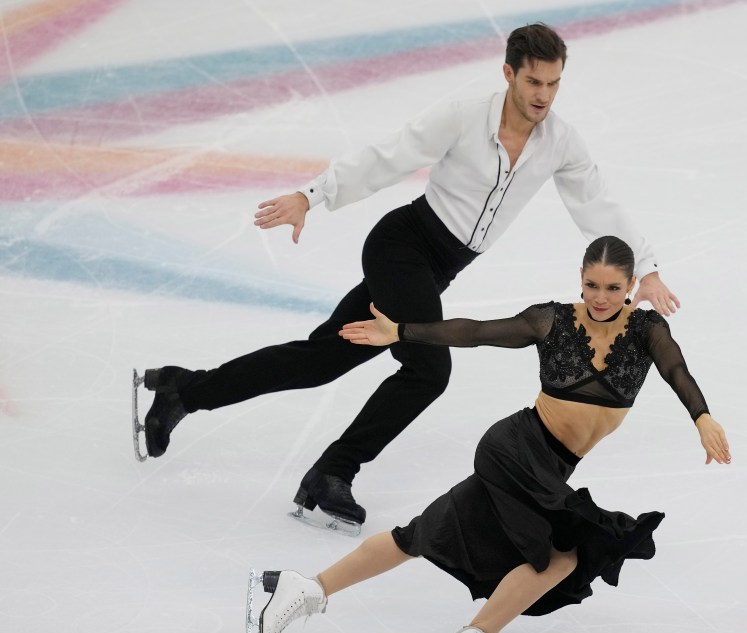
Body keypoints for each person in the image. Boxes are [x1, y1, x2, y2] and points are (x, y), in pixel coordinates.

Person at [136, 23, 679, 531]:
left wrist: (646, 268)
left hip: (436, 268)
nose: (543, 95)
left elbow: (597, 204)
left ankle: (185, 389)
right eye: (533, 81)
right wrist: (311, 195)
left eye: (554, 84)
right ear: (508, 73)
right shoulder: (465, 116)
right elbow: (387, 157)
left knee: (321, 358)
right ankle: (333, 472)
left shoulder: (560, 141)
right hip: (402, 247)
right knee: (428, 368)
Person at [246, 236, 729, 633]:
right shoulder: (552, 320)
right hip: (517, 448)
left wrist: (702, 416)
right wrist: (402, 332)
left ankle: (304, 588)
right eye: (591, 285)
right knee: (565, 553)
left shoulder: (646, 332)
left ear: (630, 286)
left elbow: (676, 371)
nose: (600, 298)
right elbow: (475, 331)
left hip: (550, 467)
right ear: (580, 281)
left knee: (417, 536)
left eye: (611, 288)